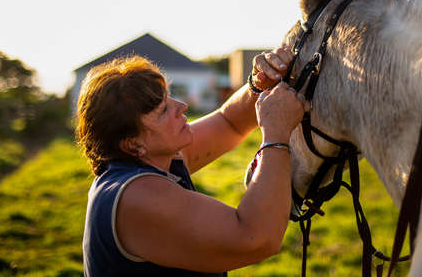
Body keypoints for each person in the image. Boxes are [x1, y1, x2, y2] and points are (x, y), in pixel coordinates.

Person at [77, 45, 306, 276]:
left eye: (168, 97)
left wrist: (260, 83)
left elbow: (229, 123)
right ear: (132, 143)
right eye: (163, 110)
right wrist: (276, 134)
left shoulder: (151, 159)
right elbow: (257, 238)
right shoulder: (137, 197)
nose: (181, 106)